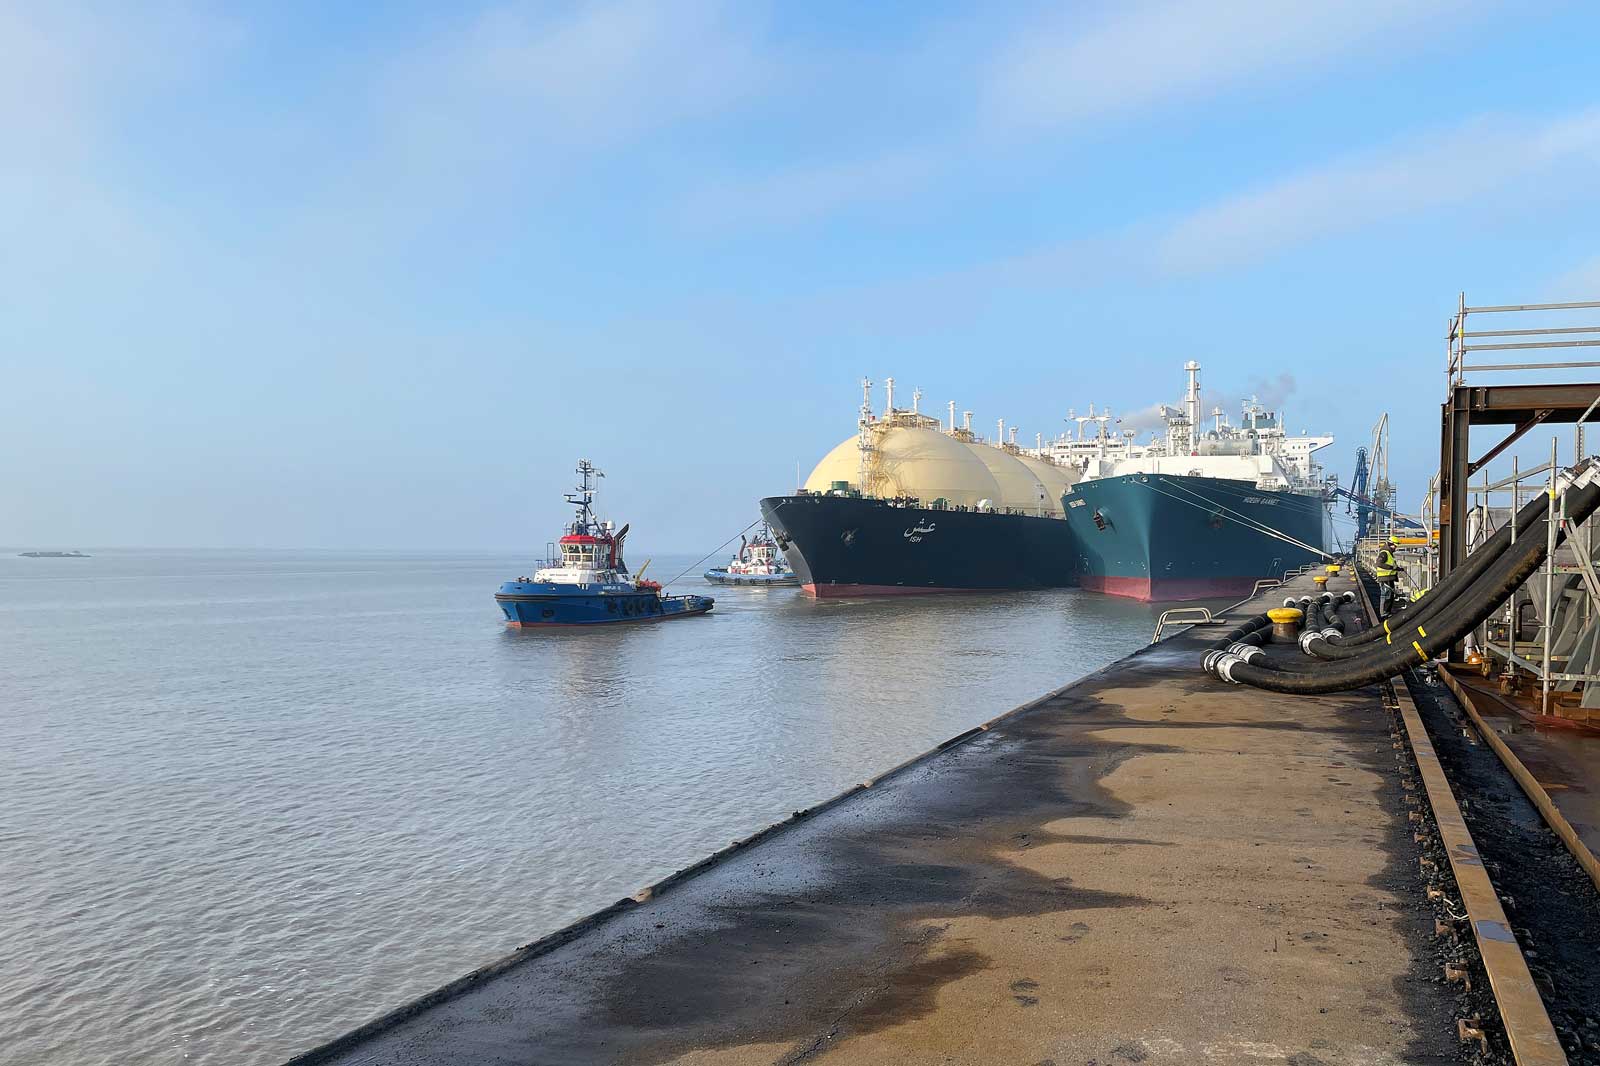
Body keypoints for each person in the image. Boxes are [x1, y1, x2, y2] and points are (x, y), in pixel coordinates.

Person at [1375, 539, 1401, 616]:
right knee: (1386, 596)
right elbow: (1379, 563)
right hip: (1385, 578)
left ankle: (1387, 612)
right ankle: (1383, 613)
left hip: (1389, 578)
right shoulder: (1384, 553)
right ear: (1390, 544)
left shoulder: (1389, 553)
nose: (1395, 548)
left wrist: (1397, 568)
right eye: (1394, 546)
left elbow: (1391, 565)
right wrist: (1392, 567)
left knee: (1390, 596)